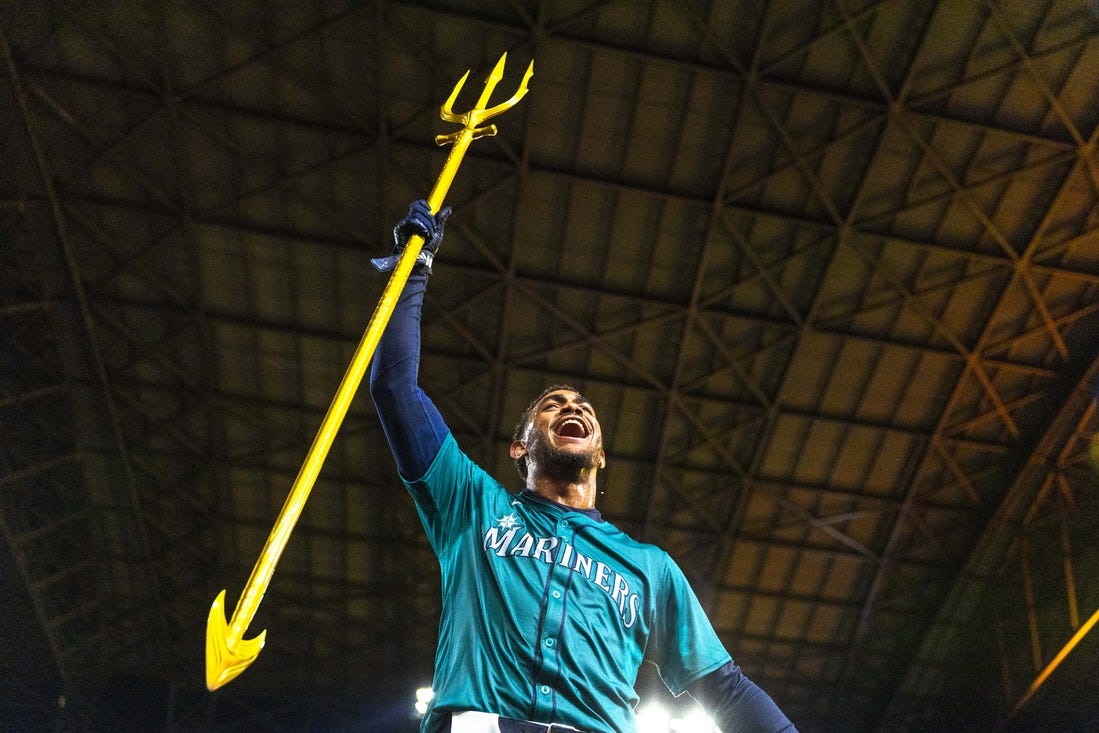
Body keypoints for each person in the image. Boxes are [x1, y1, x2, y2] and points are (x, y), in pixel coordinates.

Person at [369, 200, 796, 733]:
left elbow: (725, 689)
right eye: (552, 404)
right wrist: (412, 276)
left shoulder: (651, 568)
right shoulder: (471, 504)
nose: (573, 406)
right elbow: (394, 390)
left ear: (599, 454)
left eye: (584, 407)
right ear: (519, 447)